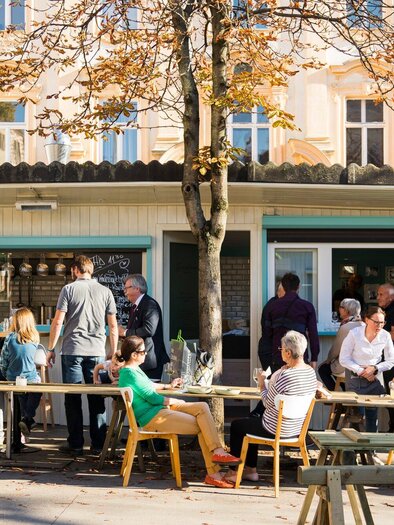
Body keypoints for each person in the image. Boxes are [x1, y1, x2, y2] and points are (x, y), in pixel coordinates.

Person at [118, 335, 241, 489]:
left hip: (160, 410)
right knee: (203, 425)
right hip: (153, 417)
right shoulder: (129, 374)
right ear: (134, 355)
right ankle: (213, 473)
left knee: (202, 407)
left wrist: (168, 386)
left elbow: (149, 386)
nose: (146, 354)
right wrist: (174, 400)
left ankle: (218, 451)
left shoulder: (134, 370)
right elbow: (152, 398)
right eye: (143, 352)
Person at [47, 255, 119, 455]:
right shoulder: (106, 292)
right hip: (96, 352)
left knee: (73, 398)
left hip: (72, 351)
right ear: (91, 270)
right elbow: (113, 326)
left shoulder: (68, 289)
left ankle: (76, 444)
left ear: (75, 270)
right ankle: (98, 445)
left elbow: (58, 322)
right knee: (96, 398)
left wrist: (51, 348)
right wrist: (113, 355)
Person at [224, 331, 317, 484]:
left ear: (288, 352)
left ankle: (234, 472)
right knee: (251, 421)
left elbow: (267, 403)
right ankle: (250, 471)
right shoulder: (310, 373)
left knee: (237, 426)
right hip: (296, 429)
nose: (280, 353)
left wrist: (262, 384)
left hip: (274, 428)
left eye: (281, 350)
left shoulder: (282, 376)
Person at [339, 306, 394, 433]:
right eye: (376, 322)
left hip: (374, 376)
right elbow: (344, 358)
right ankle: (352, 450)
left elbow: (391, 360)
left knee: (372, 414)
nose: (379, 325)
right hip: (355, 376)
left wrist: (374, 368)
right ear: (367, 320)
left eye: (382, 322)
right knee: (356, 415)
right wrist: (361, 371)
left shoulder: (385, 336)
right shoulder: (354, 333)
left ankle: (370, 450)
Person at [0, 308, 42, 445]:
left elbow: (3, 361)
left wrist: (6, 375)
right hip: (30, 378)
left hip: (12, 378)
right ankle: (27, 418)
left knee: (20, 394)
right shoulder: (35, 338)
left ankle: (25, 421)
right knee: (37, 386)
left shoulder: (9, 338)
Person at [263, 272, 320, 372]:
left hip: (278, 354)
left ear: (283, 287)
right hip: (299, 355)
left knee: (278, 385)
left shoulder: (271, 306)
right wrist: (314, 357)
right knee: (299, 386)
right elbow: (313, 334)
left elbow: (266, 333)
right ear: (298, 287)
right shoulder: (307, 306)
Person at [118, 274, 169, 380]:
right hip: (138, 360)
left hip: (149, 361)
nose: (124, 291)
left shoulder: (149, 304)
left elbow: (149, 329)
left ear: (137, 289)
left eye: (127, 288)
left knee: (148, 393)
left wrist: (125, 332)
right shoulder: (136, 306)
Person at [318, 298, 363, 391]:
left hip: (347, 367)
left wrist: (328, 360)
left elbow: (336, 350)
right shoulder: (363, 325)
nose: (339, 309)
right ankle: (346, 395)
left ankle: (337, 400)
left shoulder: (346, 327)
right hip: (361, 365)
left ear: (347, 310)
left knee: (322, 369)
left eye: (341, 307)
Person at [377, 283, 394, 431]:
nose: (378, 297)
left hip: (392, 360)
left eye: (381, 294)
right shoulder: (386, 310)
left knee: (392, 394)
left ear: (391, 296)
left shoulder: (393, 311)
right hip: (388, 359)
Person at [258, 282, 285, 371]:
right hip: (269, 350)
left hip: (271, 349)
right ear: (279, 292)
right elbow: (268, 331)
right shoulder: (273, 305)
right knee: (272, 380)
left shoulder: (277, 304)